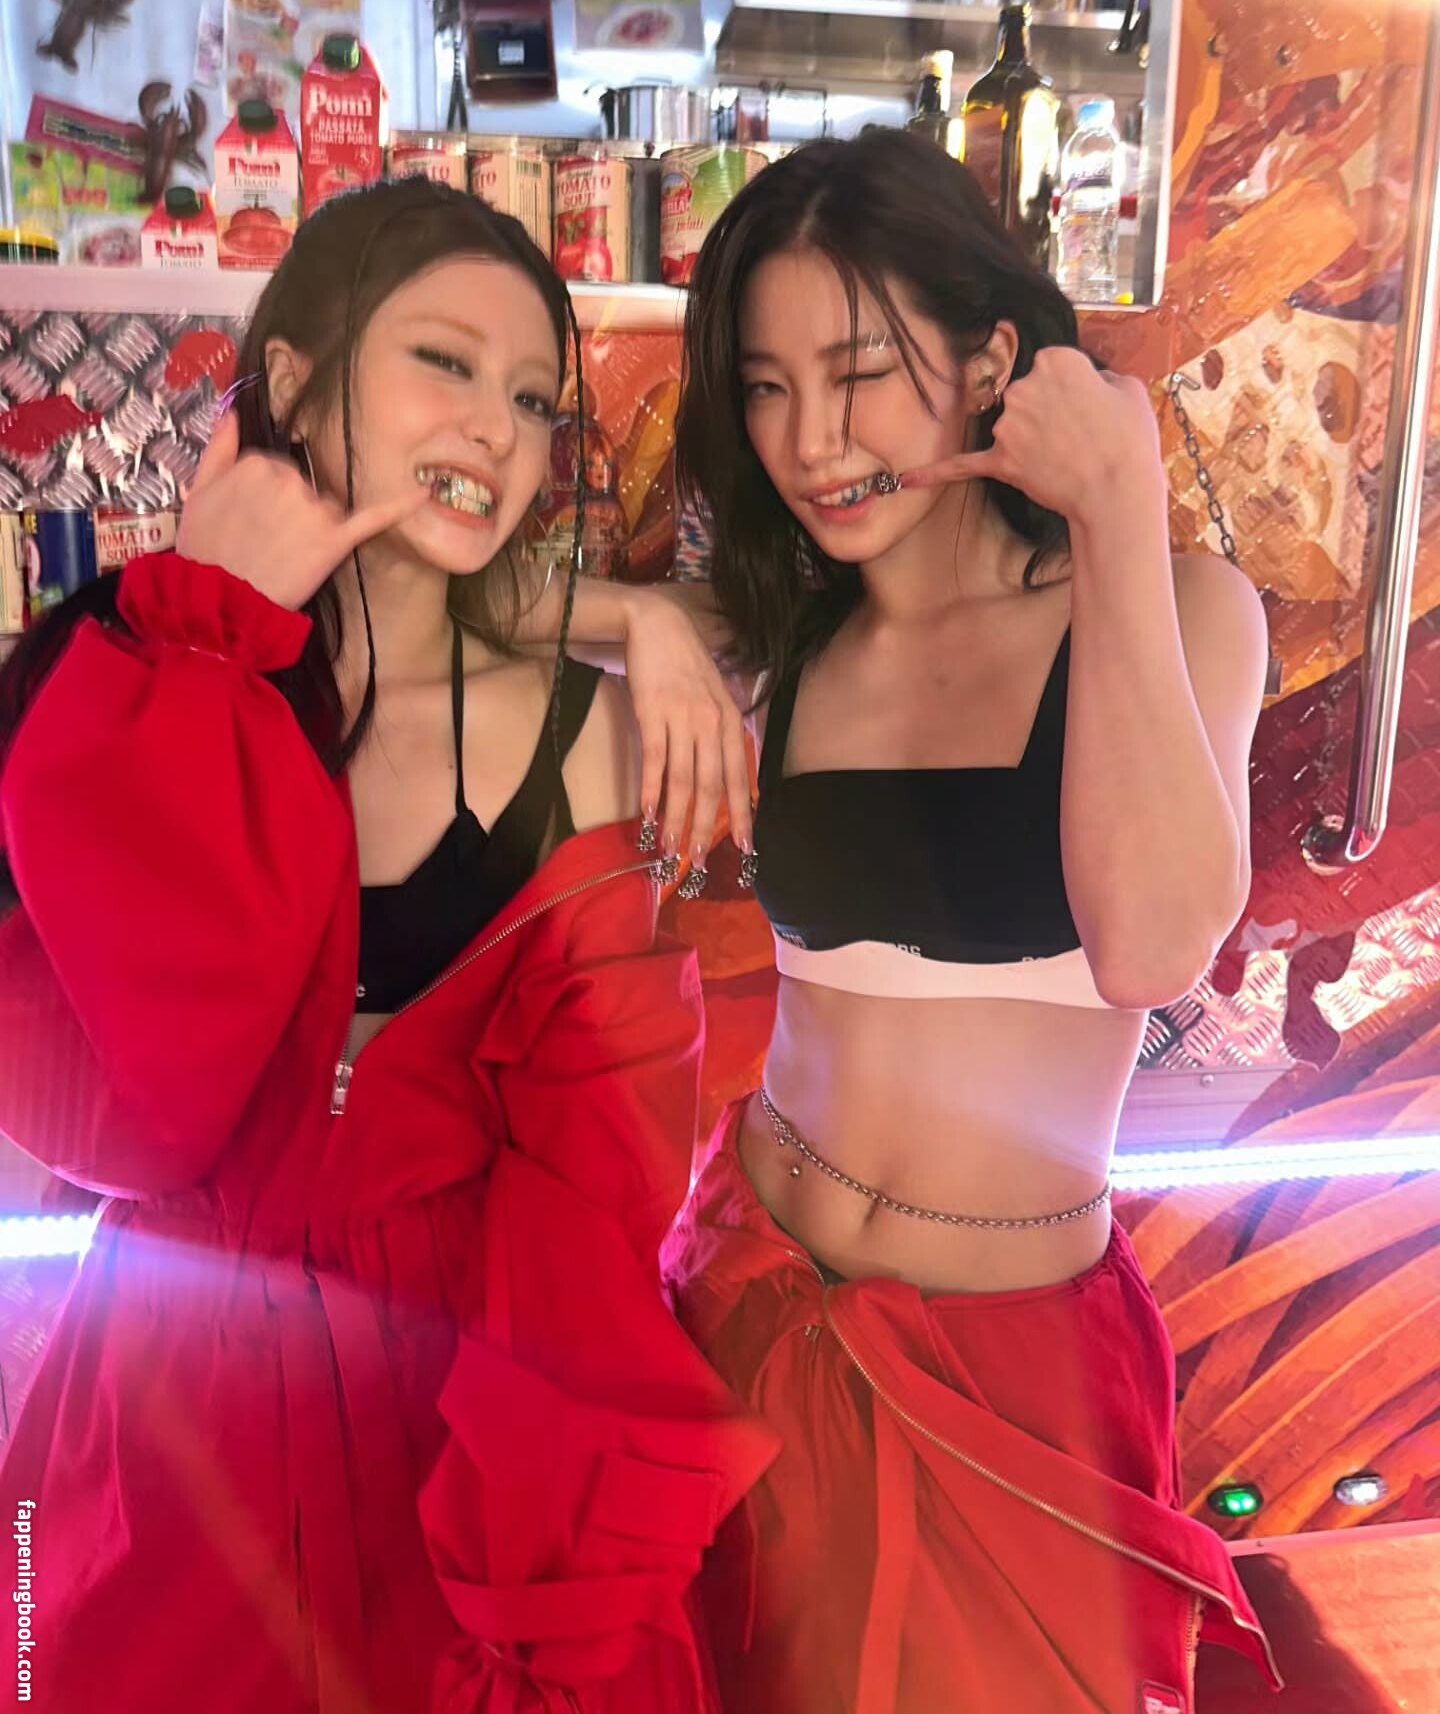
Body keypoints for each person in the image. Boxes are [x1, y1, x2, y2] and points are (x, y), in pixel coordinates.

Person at [0, 177, 774, 1714]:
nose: (497, 427)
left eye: (534, 397)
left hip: (461, 1410)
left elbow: (595, 1183)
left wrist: (547, 1549)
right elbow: (142, 1117)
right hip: (178, 1421)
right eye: (444, 361)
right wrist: (210, 631)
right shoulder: (122, 674)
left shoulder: (589, 734)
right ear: (293, 381)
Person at [553, 130, 1283, 1711]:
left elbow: (1153, 945)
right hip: (745, 1310)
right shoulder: (790, 631)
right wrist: (643, 628)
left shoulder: (1180, 609)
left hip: (1009, 1381)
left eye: (861, 371)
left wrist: (1118, 511)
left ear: (992, 362)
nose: (811, 442)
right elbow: (460, 607)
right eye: (766, 387)